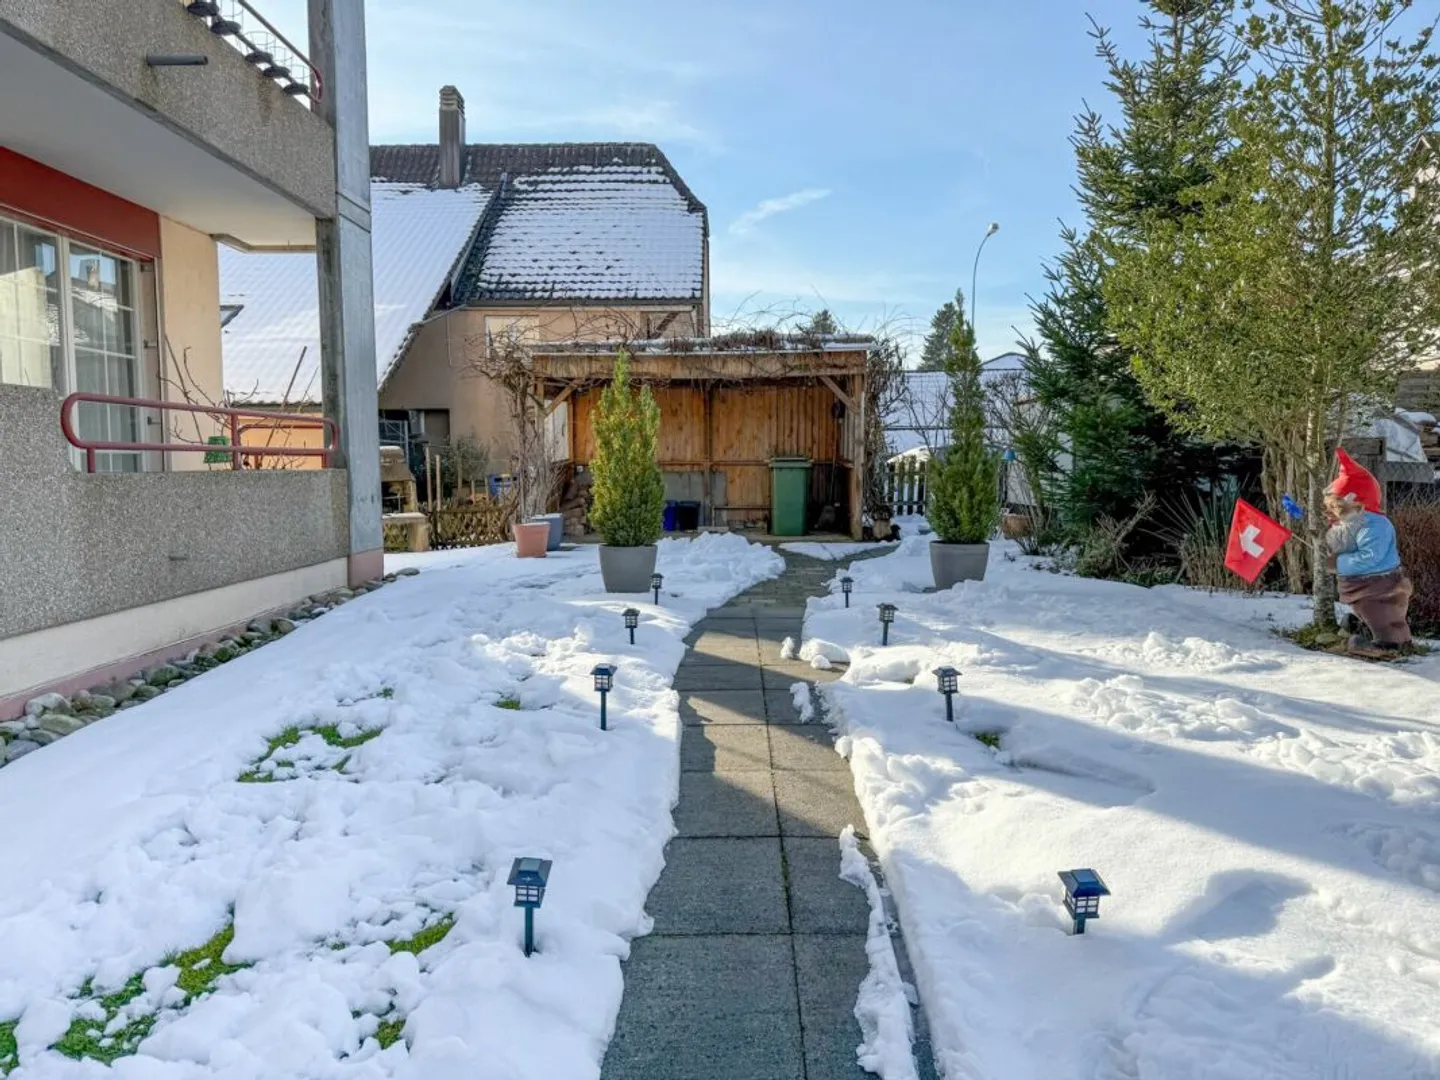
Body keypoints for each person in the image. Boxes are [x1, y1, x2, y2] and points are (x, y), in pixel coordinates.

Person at [1323, 450, 1413, 657]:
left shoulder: (1373, 525)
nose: (1331, 513)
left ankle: (1389, 645)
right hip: (1368, 584)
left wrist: (1339, 563)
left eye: (1336, 507)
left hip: (1377, 586)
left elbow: (1370, 557)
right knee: (1380, 616)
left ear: (1356, 503)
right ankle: (1382, 634)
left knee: (1384, 616)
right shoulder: (1355, 523)